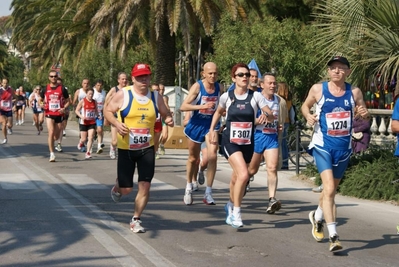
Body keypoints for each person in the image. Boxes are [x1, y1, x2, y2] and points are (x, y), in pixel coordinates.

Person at [301, 56, 369, 252]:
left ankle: (317, 217)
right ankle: (334, 236)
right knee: (329, 189)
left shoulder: (354, 92)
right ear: (328, 71)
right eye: (333, 68)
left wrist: (365, 113)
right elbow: (306, 105)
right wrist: (308, 115)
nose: (336, 71)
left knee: (330, 190)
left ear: (348, 71)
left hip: (344, 149)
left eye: (341, 68)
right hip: (323, 146)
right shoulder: (318, 89)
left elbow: (364, 114)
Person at [104, 63, 174, 233]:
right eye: (140, 77)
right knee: (126, 189)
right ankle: (118, 186)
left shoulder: (156, 97)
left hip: (147, 148)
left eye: (147, 76)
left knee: (145, 185)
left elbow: (166, 114)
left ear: (150, 77)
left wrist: (169, 120)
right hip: (126, 149)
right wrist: (116, 123)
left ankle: (136, 219)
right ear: (133, 78)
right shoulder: (123, 94)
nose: (144, 79)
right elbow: (107, 110)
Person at [209, 63, 273, 228]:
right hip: (230, 141)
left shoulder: (256, 96)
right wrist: (212, 130)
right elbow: (218, 112)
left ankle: (230, 205)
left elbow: (270, 114)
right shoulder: (227, 97)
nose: (245, 77)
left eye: (247, 74)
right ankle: (236, 213)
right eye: (240, 75)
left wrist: (267, 115)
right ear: (234, 78)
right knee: (244, 175)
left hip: (247, 143)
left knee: (237, 177)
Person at [180, 62, 224, 205]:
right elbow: (183, 106)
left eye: (215, 73)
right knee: (193, 159)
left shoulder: (220, 88)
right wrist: (202, 106)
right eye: (210, 73)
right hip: (196, 124)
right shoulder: (197, 86)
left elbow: (223, 106)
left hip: (211, 126)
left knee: (212, 156)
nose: (213, 76)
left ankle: (208, 192)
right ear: (203, 74)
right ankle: (188, 187)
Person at [248, 72, 284, 214]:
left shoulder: (278, 100)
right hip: (257, 136)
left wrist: (278, 126)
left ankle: (271, 199)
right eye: (270, 83)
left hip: (271, 138)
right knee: (252, 170)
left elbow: (277, 119)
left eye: (274, 83)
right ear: (262, 85)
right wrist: (259, 120)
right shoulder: (256, 99)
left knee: (272, 168)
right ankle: (246, 180)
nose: (273, 85)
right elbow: (249, 121)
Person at [41, 71, 70, 162]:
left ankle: (52, 143)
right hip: (49, 113)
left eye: (55, 76)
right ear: (49, 77)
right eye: (51, 76)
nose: (53, 78)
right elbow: (40, 99)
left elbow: (68, 101)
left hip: (59, 114)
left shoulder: (62, 89)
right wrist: (41, 104)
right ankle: (52, 154)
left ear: (57, 77)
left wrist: (64, 108)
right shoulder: (45, 88)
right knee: (51, 132)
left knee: (56, 137)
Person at [104, 72, 128, 159]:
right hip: (115, 118)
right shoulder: (114, 90)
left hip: (126, 118)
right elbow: (106, 103)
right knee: (115, 141)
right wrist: (106, 118)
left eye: (126, 79)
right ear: (118, 80)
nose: (124, 80)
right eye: (122, 79)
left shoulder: (129, 89)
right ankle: (112, 147)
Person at [75, 88, 97, 159]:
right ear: (86, 94)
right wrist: (81, 116)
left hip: (92, 122)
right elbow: (76, 111)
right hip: (84, 122)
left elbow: (96, 110)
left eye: (92, 94)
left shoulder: (94, 102)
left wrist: (98, 116)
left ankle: (88, 152)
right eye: (89, 94)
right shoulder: (82, 101)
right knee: (84, 139)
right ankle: (81, 143)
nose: (91, 95)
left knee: (90, 138)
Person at [277, 82, 293, 169]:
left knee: (280, 142)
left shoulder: (278, 99)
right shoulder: (289, 99)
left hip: (281, 121)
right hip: (287, 121)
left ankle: (282, 163)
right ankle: (285, 163)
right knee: (284, 143)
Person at [73, 78, 90, 152]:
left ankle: (84, 142)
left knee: (89, 131)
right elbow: (74, 102)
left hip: (90, 114)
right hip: (81, 114)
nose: (86, 85)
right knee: (83, 131)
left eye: (87, 83)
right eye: (84, 83)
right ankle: (82, 143)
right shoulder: (79, 91)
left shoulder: (90, 92)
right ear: (82, 84)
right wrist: (76, 110)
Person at [55, 77, 70, 152]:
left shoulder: (64, 90)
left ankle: (59, 144)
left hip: (61, 111)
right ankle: (54, 139)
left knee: (61, 127)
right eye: (57, 83)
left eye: (60, 83)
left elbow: (68, 100)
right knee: (54, 131)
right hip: (52, 112)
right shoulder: (51, 90)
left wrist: (65, 108)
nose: (59, 85)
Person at [93, 79, 106, 154]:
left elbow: (104, 102)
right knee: (92, 131)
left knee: (100, 129)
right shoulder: (92, 91)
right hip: (91, 114)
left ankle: (99, 146)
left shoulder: (104, 93)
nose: (99, 87)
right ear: (95, 85)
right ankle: (89, 145)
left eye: (100, 85)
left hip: (99, 114)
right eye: (98, 85)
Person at [0, 78, 14, 144]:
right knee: (4, 123)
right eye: (4, 83)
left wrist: (15, 105)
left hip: (9, 109)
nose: (5, 84)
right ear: (2, 83)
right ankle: (5, 138)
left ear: (8, 83)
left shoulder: (10, 90)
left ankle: (9, 128)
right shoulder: (0, 90)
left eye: (6, 83)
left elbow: (15, 97)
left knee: (10, 125)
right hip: (1, 110)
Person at [151, 83, 163, 159]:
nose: (156, 91)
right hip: (149, 123)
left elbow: (164, 109)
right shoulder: (147, 98)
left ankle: (154, 153)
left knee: (155, 142)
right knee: (149, 142)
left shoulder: (160, 98)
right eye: (154, 90)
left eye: (157, 90)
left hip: (158, 122)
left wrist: (168, 115)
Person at [159, 83, 170, 155]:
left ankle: (161, 144)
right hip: (155, 118)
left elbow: (167, 106)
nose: (161, 91)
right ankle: (155, 151)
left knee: (165, 135)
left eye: (163, 89)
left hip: (163, 118)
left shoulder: (165, 97)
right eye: (160, 89)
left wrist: (169, 112)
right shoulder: (152, 96)